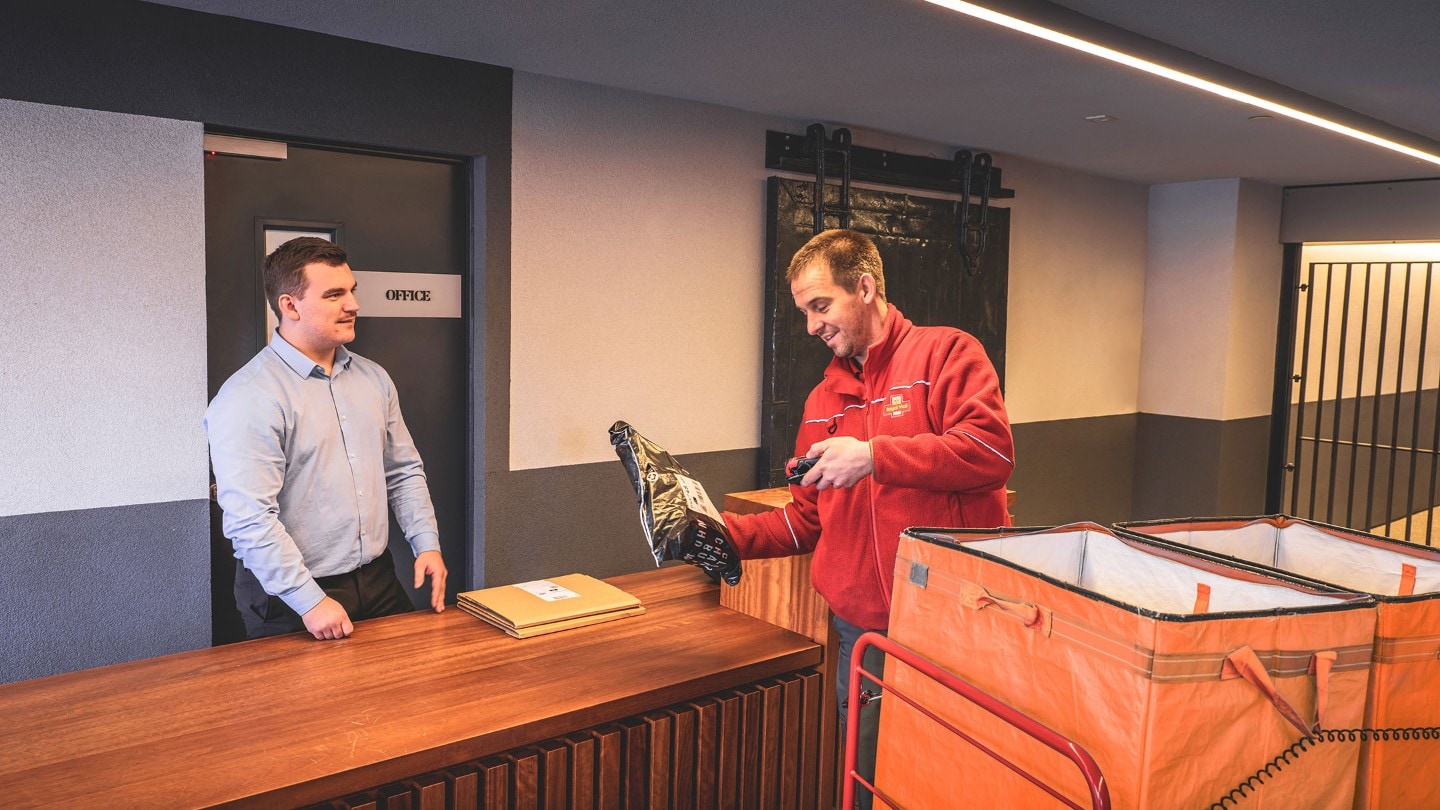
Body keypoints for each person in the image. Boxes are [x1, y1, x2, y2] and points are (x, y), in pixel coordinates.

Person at [722, 228, 1013, 803]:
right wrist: (722, 536)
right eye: (804, 312)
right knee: (868, 782)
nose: (811, 326)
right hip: (862, 634)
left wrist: (876, 457)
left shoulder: (947, 352)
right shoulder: (821, 401)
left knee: (951, 783)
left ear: (865, 287)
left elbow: (992, 452)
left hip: (953, 625)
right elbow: (806, 520)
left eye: (821, 306)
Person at [204, 237, 448, 641]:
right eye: (334, 294)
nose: (352, 304)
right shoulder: (249, 396)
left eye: (352, 291)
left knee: (407, 695)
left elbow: (403, 472)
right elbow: (250, 520)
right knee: (310, 706)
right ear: (290, 306)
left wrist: (426, 543)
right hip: (289, 597)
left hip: (378, 580)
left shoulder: (373, 378)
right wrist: (309, 601)